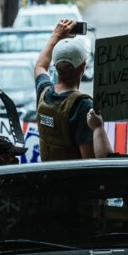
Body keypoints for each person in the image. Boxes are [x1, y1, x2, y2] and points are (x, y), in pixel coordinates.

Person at [33, 18, 105, 161]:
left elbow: (40, 67)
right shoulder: (82, 106)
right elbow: (88, 160)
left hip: (46, 177)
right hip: (71, 181)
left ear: (56, 66)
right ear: (82, 68)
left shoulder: (44, 93)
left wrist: (56, 35)